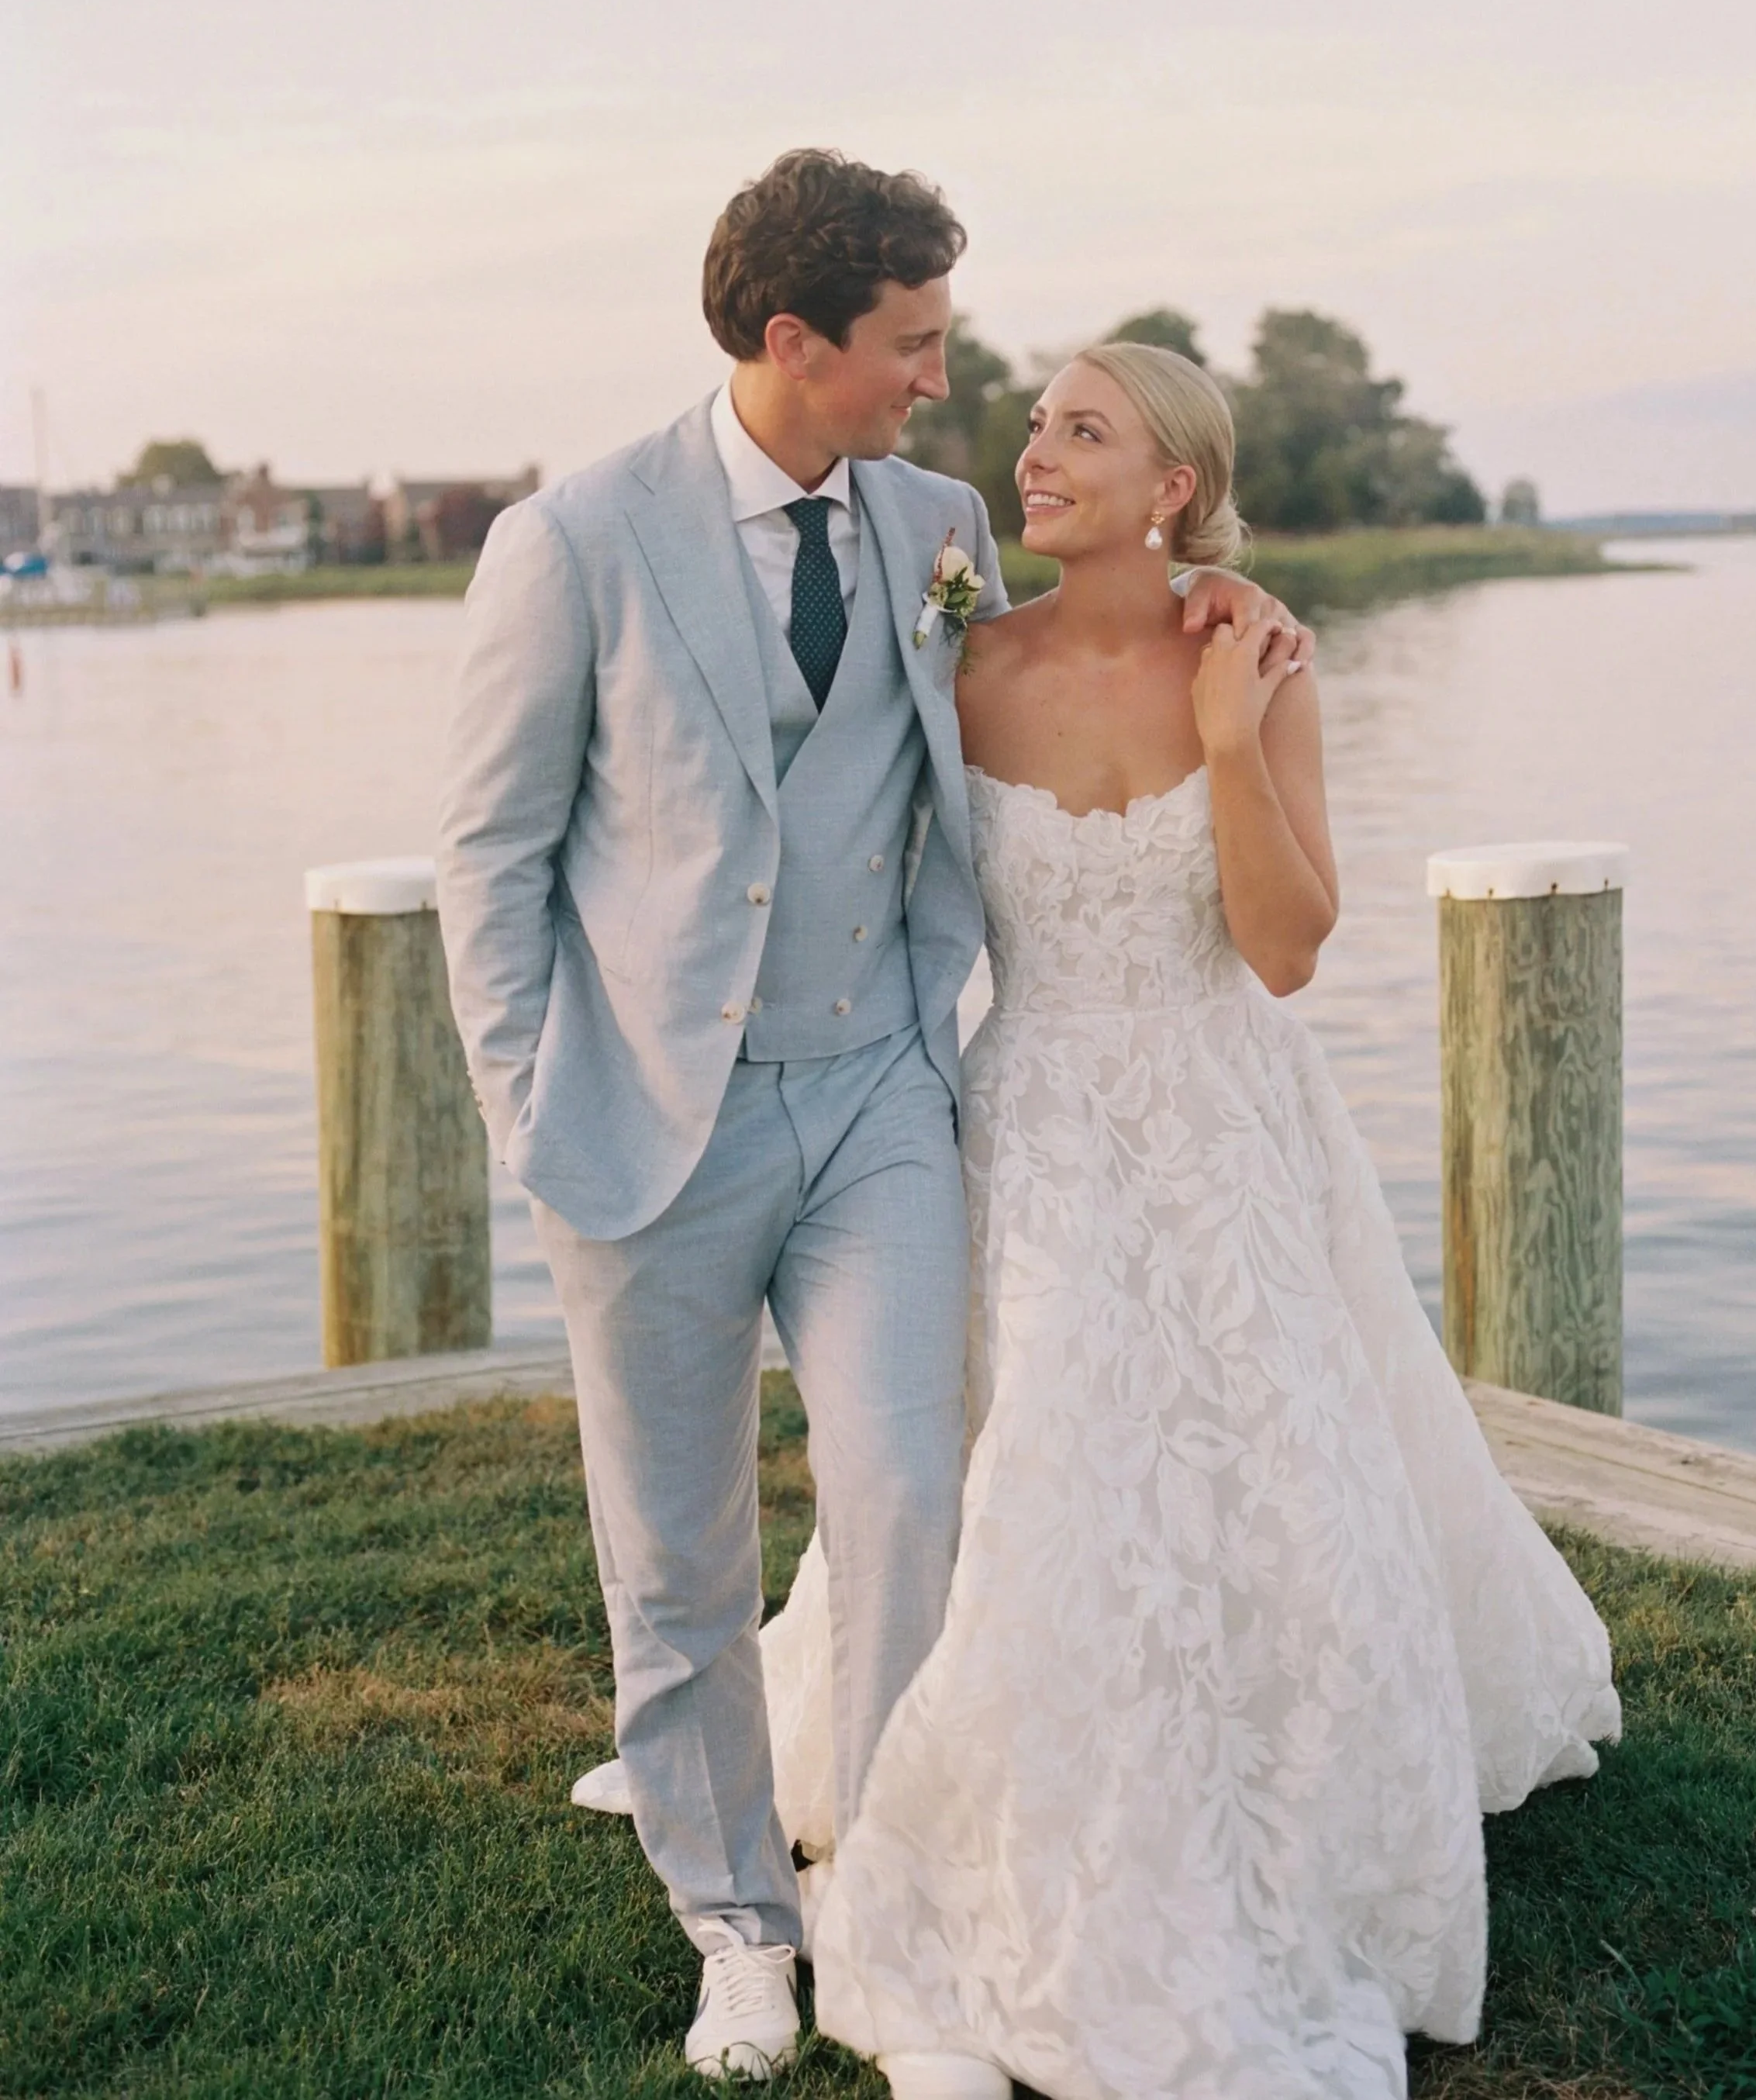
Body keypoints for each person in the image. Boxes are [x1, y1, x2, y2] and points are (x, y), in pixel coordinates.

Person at [435, 155, 1306, 2084]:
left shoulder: (932, 526)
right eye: (909, 346)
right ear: (790, 341)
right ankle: (739, 1926)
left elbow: (1069, 657)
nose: (940, 383)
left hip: (880, 1101)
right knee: (669, 1559)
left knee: (912, 1496)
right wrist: (528, 1111)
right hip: (642, 1130)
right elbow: (486, 862)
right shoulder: (571, 541)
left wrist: (1209, 588)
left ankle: (893, 1911)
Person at [752, 343, 1622, 2100]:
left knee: (1271, 1465)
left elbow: (1288, 947)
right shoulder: (960, 656)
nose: (1030, 449)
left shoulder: (1254, 656)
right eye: (1033, 424)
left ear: (1169, 486)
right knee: (1039, 1464)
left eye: (1081, 430)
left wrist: (1228, 737)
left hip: (1226, 1118)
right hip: (1030, 1118)